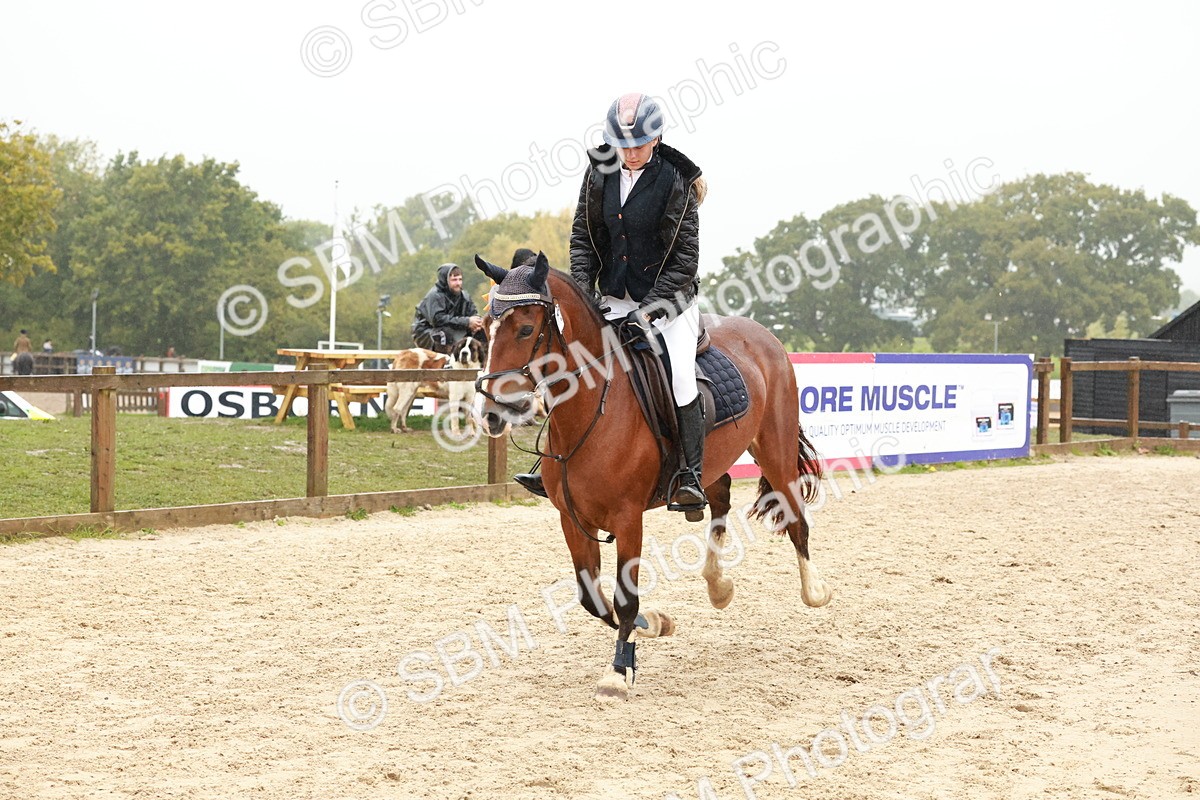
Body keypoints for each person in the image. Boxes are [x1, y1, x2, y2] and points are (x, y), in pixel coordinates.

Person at [514, 92, 709, 516]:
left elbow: (685, 263)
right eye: (624, 144)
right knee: (573, 361)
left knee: (678, 376)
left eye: (639, 143)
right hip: (613, 298)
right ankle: (549, 461)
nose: (631, 152)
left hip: (670, 301)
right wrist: (585, 296)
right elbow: (583, 239)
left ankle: (690, 476)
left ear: (656, 138)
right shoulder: (600, 169)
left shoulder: (678, 179)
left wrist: (650, 310)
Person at [411, 263, 484, 354]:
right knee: (443, 334)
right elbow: (438, 320)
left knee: (481, 331)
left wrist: (477, 323)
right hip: (427, 331)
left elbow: (473, 313)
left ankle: (481, 363)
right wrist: (467, 322)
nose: (458, 283)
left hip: (453, 327)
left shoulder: (464, 296)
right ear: (445, 280)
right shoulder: (435, 295)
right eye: (454, 280)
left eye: (460, 279)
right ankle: (446, 363)